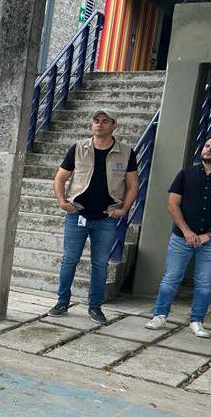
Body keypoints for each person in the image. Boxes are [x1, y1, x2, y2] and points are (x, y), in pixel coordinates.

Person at [47, 110, 137, 324]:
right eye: (96, 121)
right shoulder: (78, 148)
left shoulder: (126, 152)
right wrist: (62, 201)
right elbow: (60, 178)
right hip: (77, 214)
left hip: (106, 218)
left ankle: (95, 306)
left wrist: (124, 209)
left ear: (114, 125)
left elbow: (133, 185)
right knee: (69, 261)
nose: (99, 124)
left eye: (105, 121)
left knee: (100, 264)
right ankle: (62, 301)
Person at [145, 135, 211, 338]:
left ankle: (197, 321)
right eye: (207, 145)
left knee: (204, 283)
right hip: (181, 238)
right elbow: (172, 204)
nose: (209, 149)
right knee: (171, 278)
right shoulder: (185, 175)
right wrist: (187, 231)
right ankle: (160, 315)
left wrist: (210, 234)